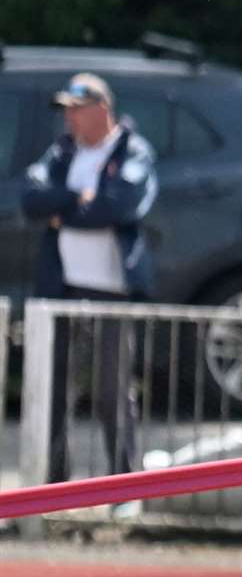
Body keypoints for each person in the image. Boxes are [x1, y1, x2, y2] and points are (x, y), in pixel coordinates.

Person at [20, 73, 159, 489]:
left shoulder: (132, 150)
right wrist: (73, 198)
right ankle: (53, 487)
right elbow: (31, 199)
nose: (69, 119)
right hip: (61, 287)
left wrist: (67, 210)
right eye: (66, 111)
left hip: (113, 289)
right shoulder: (62, 152)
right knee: (53, 391)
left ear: (101, 108)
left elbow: (121, 204)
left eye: (76, 109)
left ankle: (123, 488)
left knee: (111, 393)